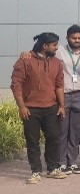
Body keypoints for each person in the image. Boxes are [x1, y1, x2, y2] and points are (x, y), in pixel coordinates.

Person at [11, 32, 67, 183]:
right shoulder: (25, 60)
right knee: (33, 141)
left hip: (51, 107)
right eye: (54, 45)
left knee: (54, 138)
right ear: (45, 46)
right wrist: (22, 107)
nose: (57, 47)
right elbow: (16, 85)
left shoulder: (57, 63)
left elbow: (59, 85)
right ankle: (35, 171)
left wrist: (62, 105)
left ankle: (52, 168)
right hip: (30, 109)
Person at [54, 24, 80, 175]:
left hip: (79, 96)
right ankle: (61, 162)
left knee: (75, 131)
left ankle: (72, 162)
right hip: (63, 95)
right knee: (62, 131)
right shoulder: (59, 52)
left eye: (79, 38)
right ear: (67, 38)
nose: (77, 40)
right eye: (73, 38)